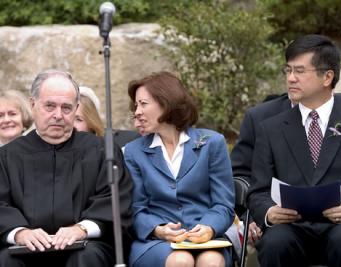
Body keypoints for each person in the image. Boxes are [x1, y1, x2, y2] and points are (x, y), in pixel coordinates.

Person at [248, 34, 341, 267]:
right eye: (288, 71)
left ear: (327, 76)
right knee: (275, 242)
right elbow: (258, 190)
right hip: (291, 227)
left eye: (299, 71)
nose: (291, 79)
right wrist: (268, 212)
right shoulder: (271, 128)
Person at [0, 69, 133, 267]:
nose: (58, 115)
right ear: (33, 104)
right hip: (26, 248)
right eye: (50, 106)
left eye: (66, 108)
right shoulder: (7, 156)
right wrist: (20, 233)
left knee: (87, 256)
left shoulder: (100, 151)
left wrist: (81, 229)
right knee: (7, 260)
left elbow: (115, 201)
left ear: (77, 107)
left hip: (85, 246)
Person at [124, 71, 235, 267]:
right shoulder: (134, 152)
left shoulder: (212, 143)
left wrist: (208, 228)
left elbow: (223, 205)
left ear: (165, 102)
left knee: (212, 262)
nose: (137, 112)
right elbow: (135, 209)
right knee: (180, 261)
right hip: (154, 242)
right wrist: (158, 229)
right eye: (136, 106)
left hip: (206, 240)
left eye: (143, 104)